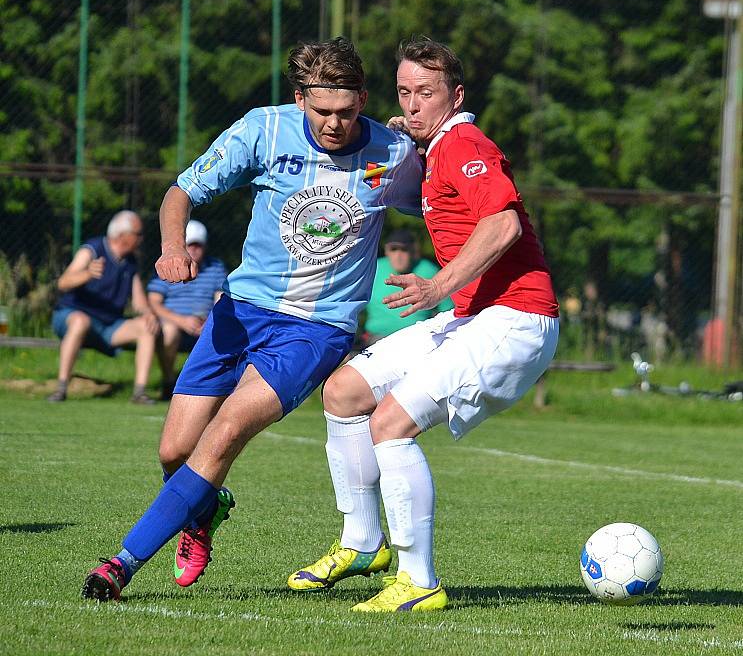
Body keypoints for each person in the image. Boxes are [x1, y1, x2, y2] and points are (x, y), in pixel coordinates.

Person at [80, 36, 423, 602]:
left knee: (223, 436)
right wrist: (169, 250)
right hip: (240, 312)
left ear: (363, 98)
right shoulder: (263, 130)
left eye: (347, 111)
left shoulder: (391, 153)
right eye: (321, 112)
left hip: (317, 328)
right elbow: (180, 193)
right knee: (174, 452)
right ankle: (204, 510)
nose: (335, 124)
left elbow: (442, 193)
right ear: (299, 99)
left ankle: (120, 564)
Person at [288, 37, 560, 612]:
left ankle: (418, 580)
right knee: (343, 392)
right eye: (405, 93)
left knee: (390, 423)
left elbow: (504, 223)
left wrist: (438, 286)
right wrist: (404, 142)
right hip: (473, 318)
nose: (412, 105)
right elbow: (417, 189)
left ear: (455, 96)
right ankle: (363, 544)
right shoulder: (437, 146)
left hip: (517, 318)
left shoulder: (463, 141)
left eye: (426, 93)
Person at [47, 210, 160, 405]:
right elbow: (63, 283)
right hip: (72, 316)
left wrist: (148, 313)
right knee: (80, 321)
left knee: (146, 327)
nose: (141, 239)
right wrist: (87, 274)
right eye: (138, 234)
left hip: (108, 325)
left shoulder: (130, 262)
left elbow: (139, 300)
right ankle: (61, 388)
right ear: (123, 235)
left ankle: (139, 392)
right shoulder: (92, 249)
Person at [147, 219, 227, 400]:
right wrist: (181, 321)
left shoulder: (215, 267)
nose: (194, 250)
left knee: (222, 330)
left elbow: (220, 299)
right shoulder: (167, 266)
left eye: (198, 245)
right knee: (169, 331)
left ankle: (212, 390)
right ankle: (169, 382)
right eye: (190, 245)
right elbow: (154, 302)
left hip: (204, 323)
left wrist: (209, 321)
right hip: (173, 323)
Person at [363, 228, 452, 345]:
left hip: (419, 338)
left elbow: (448, 310)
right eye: (393, 249)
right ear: (386, 251)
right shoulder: (373, 268)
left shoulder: (429, 270)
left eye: (404, 249)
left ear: (413, 251)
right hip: (377, 338)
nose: (398, 255)